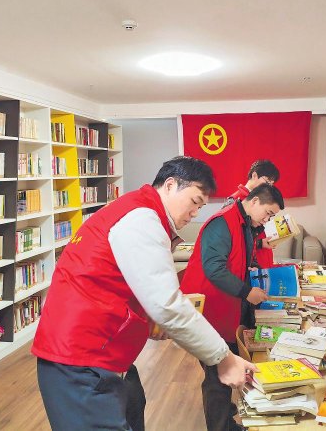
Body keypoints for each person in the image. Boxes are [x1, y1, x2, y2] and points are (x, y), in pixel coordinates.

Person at [31, 156, 257, 431]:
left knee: (134, 403)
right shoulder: (142, 218)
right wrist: (223, 358)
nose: (195, 213)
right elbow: (167, 305)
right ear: (170, 185)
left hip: (102, 354)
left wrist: (146, 320)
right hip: (80, 361)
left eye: (200, 207)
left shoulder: (136, 210)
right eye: (194, 202)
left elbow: (125, 285)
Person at [181, 183, 285, 431]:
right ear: (255, 201)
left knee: (224, 371)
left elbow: (239, 258)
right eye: (268, 213)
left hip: (228, 306)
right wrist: (247, 292)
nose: (268, 220)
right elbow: (214, 269)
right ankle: (220, 426)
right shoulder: (222, 222)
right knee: (217, 375)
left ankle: (226, 420)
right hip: (211, 308)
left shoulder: (245, 223)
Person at [223, 160, 281, 268]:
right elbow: (231, 242)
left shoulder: (260, 199)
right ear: (254, 175)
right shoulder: (235, 201)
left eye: (271, 185)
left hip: (261, 255)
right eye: (267, 182)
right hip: (249, 263)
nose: (269, 187)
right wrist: (259, 243)